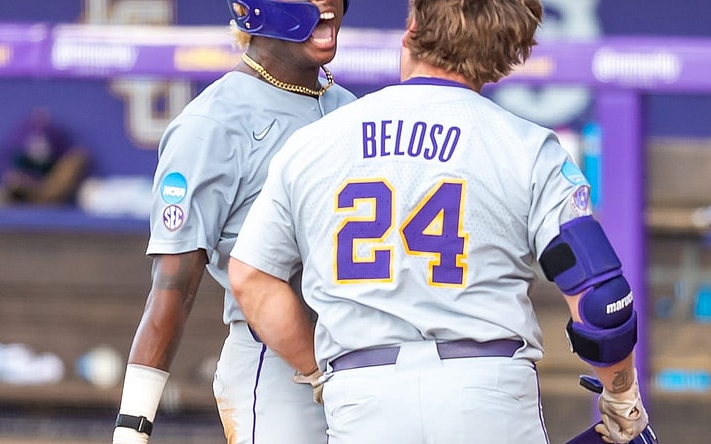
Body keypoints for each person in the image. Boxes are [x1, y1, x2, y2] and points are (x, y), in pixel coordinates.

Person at [228, 0, 649, 443]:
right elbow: (601, 300)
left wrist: (314, 369)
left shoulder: (312, 142)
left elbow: (249, 277)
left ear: (412, 27)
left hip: (363, 393)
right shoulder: (527, 148)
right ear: (504, 56)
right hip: (487, 391)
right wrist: (620, 392)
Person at [112, 1, 355, 443]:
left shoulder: (349, 108)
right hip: (275, 366)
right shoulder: (211, 124)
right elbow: (172, 287)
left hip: (361, 358)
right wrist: (133, 427)